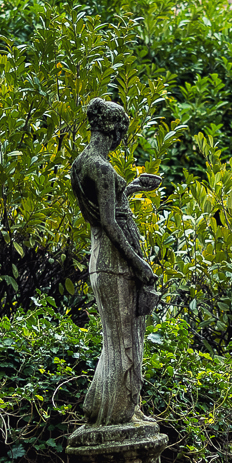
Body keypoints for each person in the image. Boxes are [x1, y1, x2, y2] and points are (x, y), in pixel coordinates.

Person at [70, 98, 163, 425]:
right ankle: (119, 415)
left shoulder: (82, 162)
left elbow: (105, 208)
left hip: (102, 258)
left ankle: (112, 409)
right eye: (122, 129)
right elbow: (110, 222)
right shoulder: (103, 168)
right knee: (125, 343)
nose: (123, 136)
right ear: (113, 129)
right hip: (116, 262)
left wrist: (132, 188)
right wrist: (139, 263)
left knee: (117, 341)